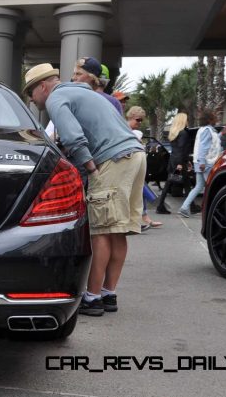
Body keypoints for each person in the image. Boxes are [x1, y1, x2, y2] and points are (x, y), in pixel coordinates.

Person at [24, 63, 145, 317]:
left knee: (100, 231)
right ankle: (108, 294)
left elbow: (72, 136)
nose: (32, 101)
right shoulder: (83, 91)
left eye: (30, 94)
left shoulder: (57, 99)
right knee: (118, 230)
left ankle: (92, 298)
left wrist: (91, 169)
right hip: (135, 156)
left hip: (112, 159)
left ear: (42, 86)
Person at [125, 106, 162, 230]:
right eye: (138, 120)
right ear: (130, 117)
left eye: (141, 120)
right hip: (126, 165)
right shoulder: (125, 130)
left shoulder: (133, 132)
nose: (140, 122)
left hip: (133, 166)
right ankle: (148, 209)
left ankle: (143, 219)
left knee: (138, 190)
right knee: (137, 190)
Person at [179, 110, 221, 218]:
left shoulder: (204, 130)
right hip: (207, 162)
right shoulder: (207, 130)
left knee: (199, 186)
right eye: (215, 117)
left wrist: (221, 134)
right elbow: (204, 146)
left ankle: (184, 207)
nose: (217, 119)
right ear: (210, 119)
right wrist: (202, 162)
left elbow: (211, 142)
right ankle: (214, 210)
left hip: (201, 162)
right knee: (212, 186)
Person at [156, 112, 191, 215]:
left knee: (169, 183)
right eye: (186, 119)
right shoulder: (183, 133)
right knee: (187, 184)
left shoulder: (174, 133)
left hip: (173, 160)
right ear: (183, 121)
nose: (187, 121)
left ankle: (160, 205)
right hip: (179, 162)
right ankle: (190, 206)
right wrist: (181, 163)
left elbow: (177, 149)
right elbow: (181, 149)